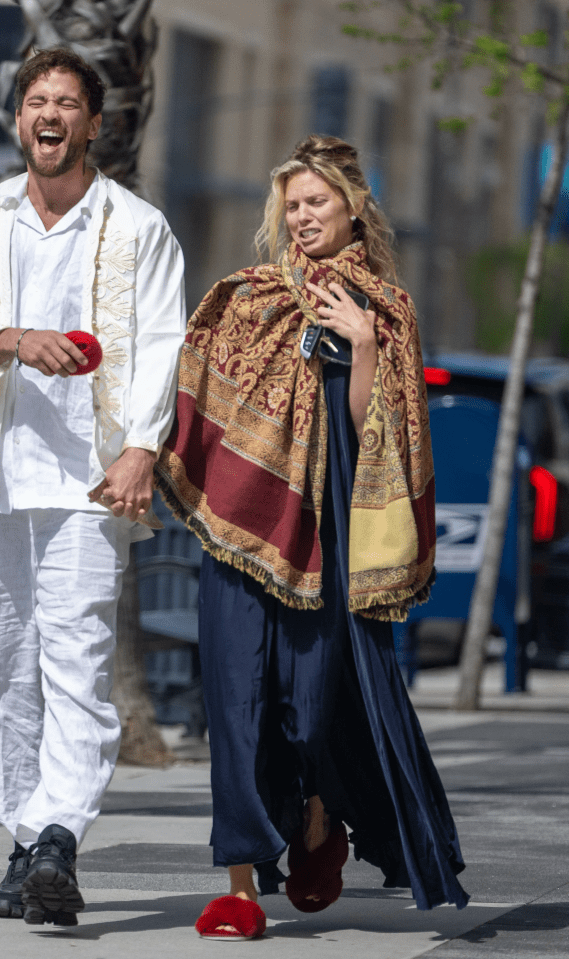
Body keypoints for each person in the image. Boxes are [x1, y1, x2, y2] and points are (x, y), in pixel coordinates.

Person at [155, 134, 468, 940]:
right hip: (239, 529)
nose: (301, 217)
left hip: (327, 537)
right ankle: (239, 888)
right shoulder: (249, 298)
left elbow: (383, 440)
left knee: (307, 706)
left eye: (316, 203)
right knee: (234, 706)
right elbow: (198, 396)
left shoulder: (386, 311)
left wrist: (361, 345)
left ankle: (319, 818)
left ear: (354, 207)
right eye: (290, 205)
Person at [0, 48, 185, 927]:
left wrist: (141, 447)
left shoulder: (138, 226)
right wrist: (12, 337)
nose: (49, 114)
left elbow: (162, 346)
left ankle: (57, 842)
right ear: (18, 120)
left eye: (66, 102)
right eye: (36, 100)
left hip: (89, 483)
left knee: (74, 666)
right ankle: (30, 839)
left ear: (92, 124)